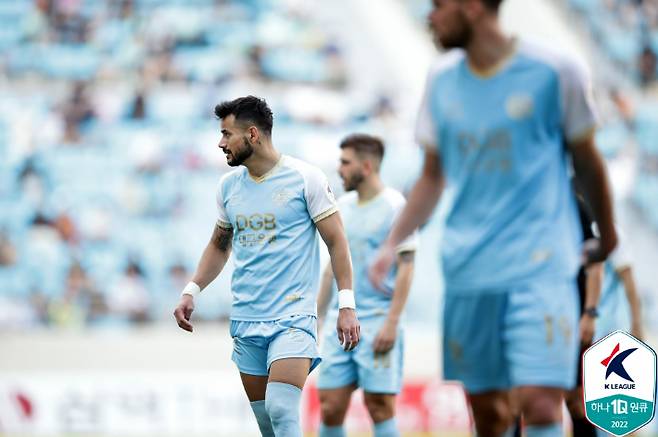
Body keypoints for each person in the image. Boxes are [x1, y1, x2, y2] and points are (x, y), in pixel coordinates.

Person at [369, 1, 618, 436]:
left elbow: (587, 160)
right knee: (490, 414)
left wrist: (608, 233)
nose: (430, 16)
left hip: (541, 267)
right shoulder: (441, 80)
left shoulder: (555, 71)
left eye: (439, 6)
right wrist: (392, 242)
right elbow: (432, 175)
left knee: (541, 402)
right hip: (469, 270)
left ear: (472, 7)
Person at [173, 96, 361, 437]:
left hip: (293, 318)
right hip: (247, 318)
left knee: (281, 409)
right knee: (268, 425)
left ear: (253, 135)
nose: (220, 143)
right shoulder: (228, 187)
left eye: (227, 134)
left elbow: (337, 241)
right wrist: (192, 289)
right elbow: (219, 245)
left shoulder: (307, 178)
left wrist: (346, 304)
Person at [316, 134, 417, 437]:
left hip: (378, 320)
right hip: (339, 321)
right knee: (330, 406)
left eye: (345, 163)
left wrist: (392, 322)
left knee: (379, 406)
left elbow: (407, 265)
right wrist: (317, 319)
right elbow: (332, 268)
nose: (340, 169)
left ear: (367, 166)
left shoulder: (395, 206)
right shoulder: (342, 207)